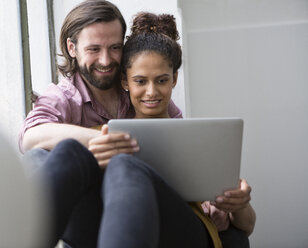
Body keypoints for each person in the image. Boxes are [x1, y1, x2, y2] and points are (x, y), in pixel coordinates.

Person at [18, 1, 182, 247]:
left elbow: (183, 148)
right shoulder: (63, 97)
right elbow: (29, 136)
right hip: (88, 214)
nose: (105, 60)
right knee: (46, 156)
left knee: (124, 169)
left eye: (115, 47)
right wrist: (99, 140)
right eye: (94, 49)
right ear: (72, 48)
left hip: (143, 211)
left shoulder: (142, 90)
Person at [88, 12, 256, 248]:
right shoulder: (104, 138)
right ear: (125, 82)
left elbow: (247, 227)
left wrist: (239, 204)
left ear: (174, 79)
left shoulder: (202, 140)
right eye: (140, 81)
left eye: (161, 80)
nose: (151, 92)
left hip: (192, 232)